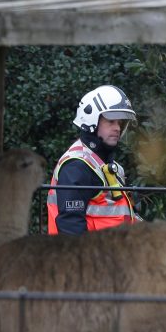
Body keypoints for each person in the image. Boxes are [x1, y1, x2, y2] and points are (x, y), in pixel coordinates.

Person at [46, 85, 141, 235]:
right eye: (111, 121)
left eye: (120, 123)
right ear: (92, 121)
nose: (117, 128)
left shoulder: (109, 166)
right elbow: (71, 229)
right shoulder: (76, 166)